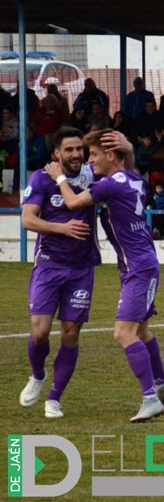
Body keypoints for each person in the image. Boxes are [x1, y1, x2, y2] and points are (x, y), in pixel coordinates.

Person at [44, 128, 164, 423]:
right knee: (141, 331)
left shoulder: (110, 186)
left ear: (110, 154)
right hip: (140, 263)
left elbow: (72, 203)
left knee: (123, 333)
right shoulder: (132, 179)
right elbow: (126, 165)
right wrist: (128, 149)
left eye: (93, 155)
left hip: (138, 268)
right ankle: (163, 384)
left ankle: (150, 399)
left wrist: (58, 177)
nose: (88, 160)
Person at [18, 127, 100, 419]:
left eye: (79, 149)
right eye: (69, 150)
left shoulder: (92, 174)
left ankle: (54, 397)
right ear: (56, 153)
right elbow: (28, 219)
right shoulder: (41, 178)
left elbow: (124, 170)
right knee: (39, 332)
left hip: (81, 268)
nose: (76, 154)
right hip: (49, 265)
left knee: (70, 333)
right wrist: (61, 228)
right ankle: (38, 374)